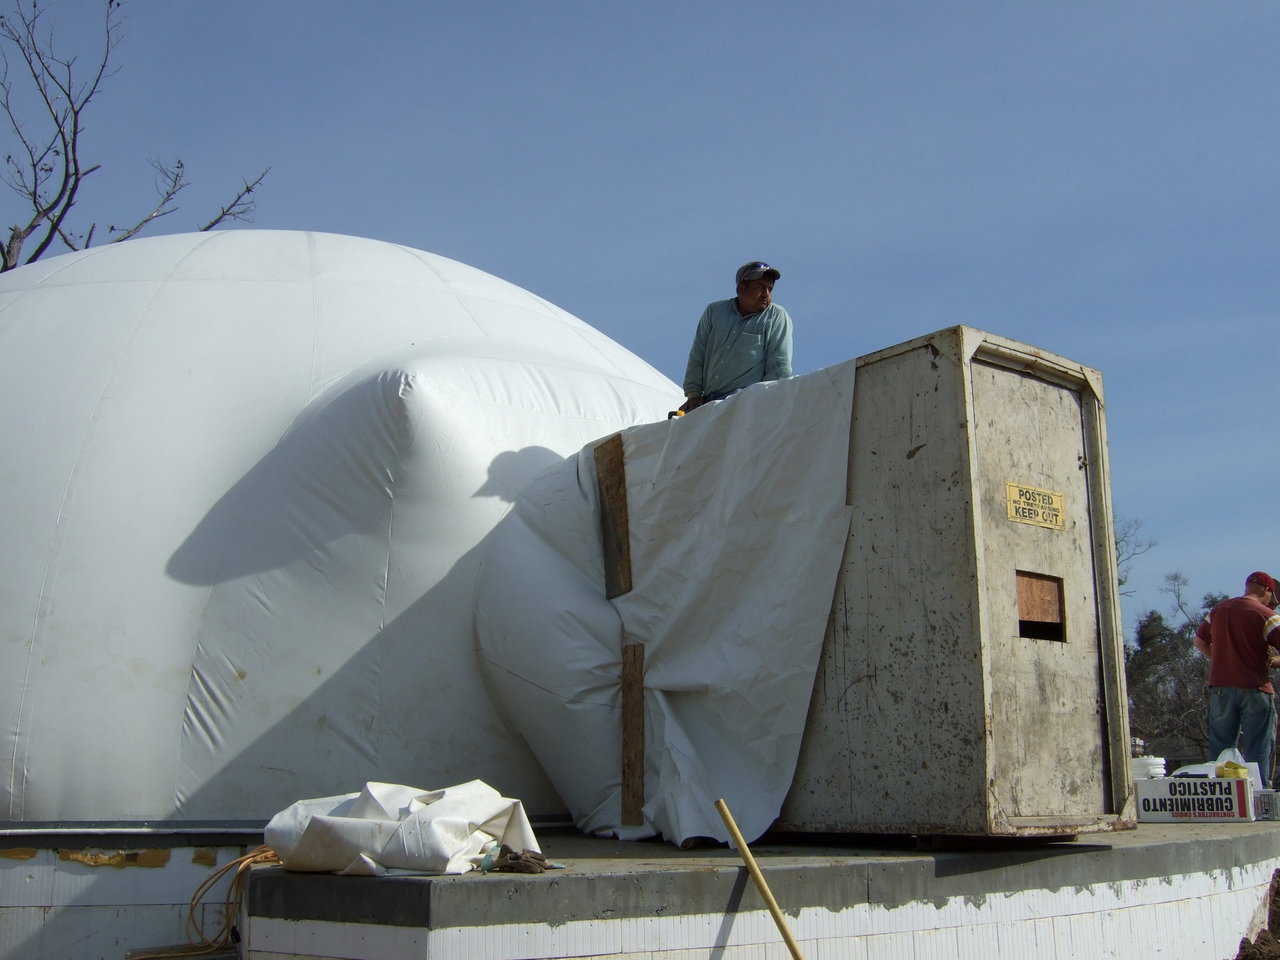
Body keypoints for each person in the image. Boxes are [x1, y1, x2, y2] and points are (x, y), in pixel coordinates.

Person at [1193, 571, 1280, 786]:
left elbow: (1199, 641)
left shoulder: (1218, 610)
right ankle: (1257, 796)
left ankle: (1220, 797)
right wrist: (1275, 661)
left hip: (1221, 688)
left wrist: (1222, 660)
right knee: (1258, 746)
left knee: (1220, 748)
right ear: (1267, 590)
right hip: (1255, 687)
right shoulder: (1266, 615)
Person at [680, 260, 793, 413]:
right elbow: (698, 355)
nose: (766, 294)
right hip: (708, 404)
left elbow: (779, 366)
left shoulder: (776, 316)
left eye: (770, 288)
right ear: (741, 288)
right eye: (760, 287)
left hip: (746, 404)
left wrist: (765, 404)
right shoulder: (715, 312)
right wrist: (693, 395)